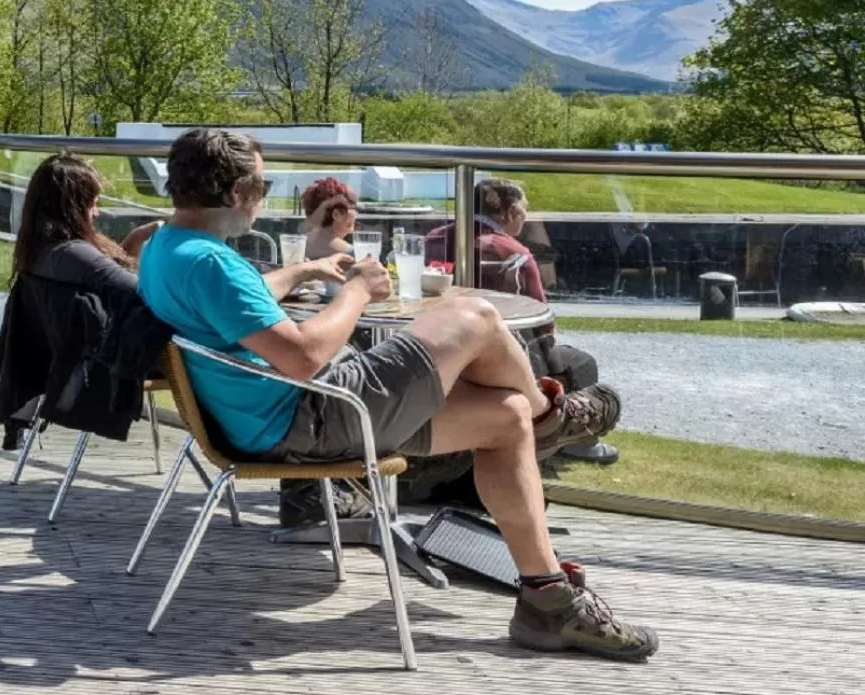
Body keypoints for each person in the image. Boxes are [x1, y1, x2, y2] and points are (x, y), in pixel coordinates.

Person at [136, 128, 655, 662]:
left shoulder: (167, 249)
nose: (264, 200)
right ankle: (558, 414)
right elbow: (304, 356)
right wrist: (361, 289)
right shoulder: (211, 263)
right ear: (236, 194)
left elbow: (236, 300)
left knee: (506, 414)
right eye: (262, 188)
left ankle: (547, 599)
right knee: (475, 316)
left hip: (275, 420)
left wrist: (306, 270)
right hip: (311, 417)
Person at [427, 178, 618, 464]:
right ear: (507, 213)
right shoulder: (513, 253)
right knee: (580, 363)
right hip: (503, 352)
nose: (526, 217)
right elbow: (541, 318)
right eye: (523, 210)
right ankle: (572, 438)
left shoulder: (434, 239)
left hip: (438, 344)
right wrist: (553, 363)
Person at [0, 154, 175, 449]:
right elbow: (141, 293)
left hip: (68, 359)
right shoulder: (74, 253)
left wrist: (134, 240)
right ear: (73, 206)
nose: (97, 213)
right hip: (110, 362)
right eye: (92, 203)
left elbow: (107, 281)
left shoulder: (41, 250)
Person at [300, 177, 359, 260]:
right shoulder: (351, 254)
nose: (356, 214)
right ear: (336, 215)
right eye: (353, 208)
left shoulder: (299, 246)